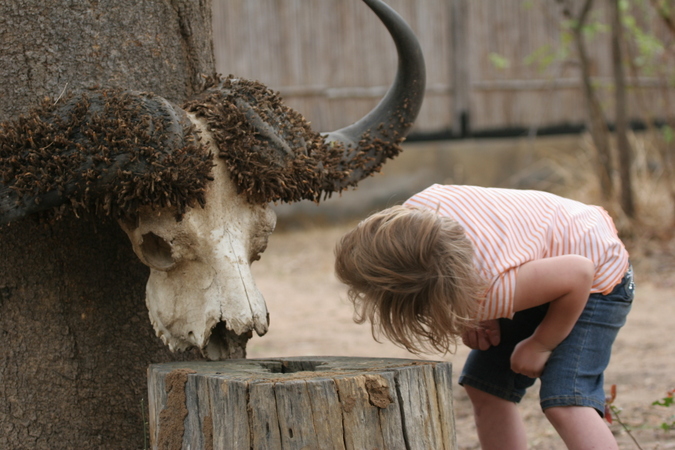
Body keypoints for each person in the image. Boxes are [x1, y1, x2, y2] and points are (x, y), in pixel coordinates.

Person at [334, 184, 634, 450]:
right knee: (485, 387)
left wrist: (541, 343)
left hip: (597, 277)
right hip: (543, 260)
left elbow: (579, 272)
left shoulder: (495, 287)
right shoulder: (417, 215)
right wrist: (475, 315)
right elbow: (498, 247)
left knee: (567, 399)